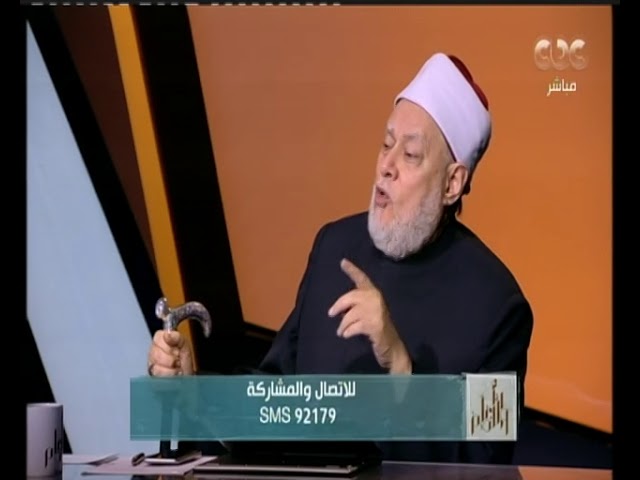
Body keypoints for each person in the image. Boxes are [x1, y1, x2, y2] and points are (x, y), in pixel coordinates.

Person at [147, 52, 534, 465]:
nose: (386, 166)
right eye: (386, 144)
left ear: (452, 183)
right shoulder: (335, 247)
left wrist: (400, 366)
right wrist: (199, 393)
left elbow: (487, 459)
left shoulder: (498, 305)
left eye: (410, 155)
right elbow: (277, 397)